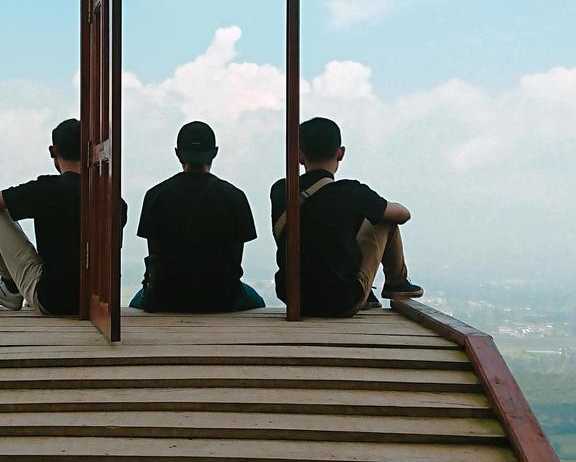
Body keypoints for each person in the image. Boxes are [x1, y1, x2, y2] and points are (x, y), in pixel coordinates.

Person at [0, 118, 125, 315]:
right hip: (98, 303)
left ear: (53, 151)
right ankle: (9, 287)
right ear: (92, 151)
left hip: (53, 301)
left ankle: (9, 287)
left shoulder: (46, 190)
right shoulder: (114, 200)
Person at [270, 116, 423, 317]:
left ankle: (373, 291)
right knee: (384, 219)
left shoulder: (282, 190)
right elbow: (403, 215)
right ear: (340, 153)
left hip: (294, 298)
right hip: (341, 301)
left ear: (299, 156)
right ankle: (397, 283)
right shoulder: (352, 192)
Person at [131, 121, 266, 313]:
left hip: (165, 297)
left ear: (177, 153)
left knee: (136, 301)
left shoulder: (156, 195)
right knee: (257, 300)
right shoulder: (234, 196)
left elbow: (154, 255)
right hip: (223, 298)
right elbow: (235, 259)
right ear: (215, 152)